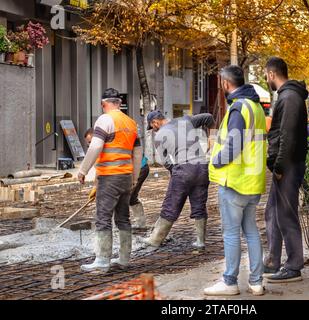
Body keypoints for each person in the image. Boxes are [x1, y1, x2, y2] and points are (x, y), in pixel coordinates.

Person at [204, 65, 266, 296]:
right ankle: (256, 282)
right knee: (251, 231)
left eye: (220, 82)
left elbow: (233, 145)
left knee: (231, 233)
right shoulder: (256, 107)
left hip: (235, 181)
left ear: (225, 84)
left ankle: (230, 281)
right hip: (253, 181)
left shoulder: (239, 108)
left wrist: (215, 160)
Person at [78, 88, 142, 273]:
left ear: (103, 104)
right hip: (126, 177)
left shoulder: (105, 119)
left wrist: (83, 170)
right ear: (120, 103)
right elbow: (137, 154)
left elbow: (96, 146)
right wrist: (134, 177)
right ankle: (123, 259)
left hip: (110, 177)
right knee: (123, 218)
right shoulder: (131, 123)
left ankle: (102, 260)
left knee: (103, 218)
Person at [263, 57, 307, 283]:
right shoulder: (287, 95)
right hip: (285, 165)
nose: (265, 79)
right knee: (272, 212)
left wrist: (278, 166)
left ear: (272, 74)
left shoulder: (289, 97)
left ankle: (293, 266)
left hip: (288, 165)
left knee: (286, 214)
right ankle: (273, 261)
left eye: (265, 75)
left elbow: (287, 136)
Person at [143, 110, 215, 249]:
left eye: (152, 127)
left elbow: (165, 162)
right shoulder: (186, 120)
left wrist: (174, 172)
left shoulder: (159, 136)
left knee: (171, 205)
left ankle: (155, 240)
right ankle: (200, 241)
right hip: (202, 167)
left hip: (183, 170)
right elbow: (209, 117)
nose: (153, 130)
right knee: (199, 204)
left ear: (155, 122)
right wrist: (212, 138)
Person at [84, 127, 150, 230]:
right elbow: (100, 170)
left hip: (138, 168)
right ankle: (139, 224)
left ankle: (122, 227)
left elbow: (99, 171)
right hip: (134, 168)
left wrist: (96, 187)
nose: (89, 145)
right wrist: (95, 187)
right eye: (88, 143)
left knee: (121, 199)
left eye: (90, 142)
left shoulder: (103, 146)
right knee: (130, 197)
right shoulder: (105, 143)